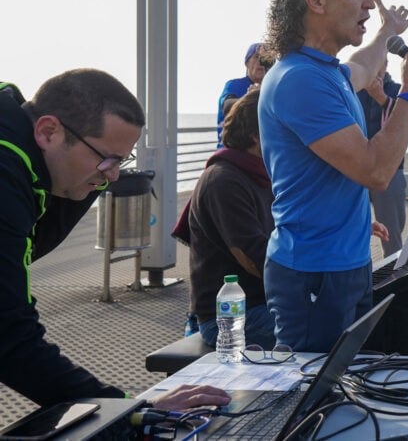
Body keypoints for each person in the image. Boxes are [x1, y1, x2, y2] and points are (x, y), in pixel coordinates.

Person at [0, 70, 228, 410]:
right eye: (108, 158)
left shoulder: (27, 155)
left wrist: (95, 175)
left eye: (122, 161)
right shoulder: (5, 178)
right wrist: (131, 412)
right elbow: (11, 340)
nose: (114, 175)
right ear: (47, 131)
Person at [258, 0, 408, 352]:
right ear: (316, 0)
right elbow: (375, 171)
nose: (368, 5)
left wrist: (387, 34)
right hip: (314, 272)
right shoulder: (300, 80)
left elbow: (366, 64)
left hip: (346, 262)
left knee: (346, 383)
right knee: (311, 397)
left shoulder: (329, 73)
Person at [179, 87, 276, 349]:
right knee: (324, 330)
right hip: (231, 316)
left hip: (264, 303)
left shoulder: (261, 174)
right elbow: (254, 259)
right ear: (257, 135)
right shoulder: (224, 180)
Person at [357, 63, 407, 256]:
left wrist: (383, 99)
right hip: (355, 167)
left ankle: (394, 275)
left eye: (381, 63)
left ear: (386, 66)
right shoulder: (354, 91)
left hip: (391, 169)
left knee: (392, 229)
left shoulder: (397, 90)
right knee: (352, 225)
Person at [216, 43, 269, 144]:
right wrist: (250, 97)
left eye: (266, 59)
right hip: (231, 151)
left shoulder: (270, 89)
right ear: (246, 63)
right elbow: (227, 105)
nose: (261, 62)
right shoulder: (234, 85)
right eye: (257, 57)